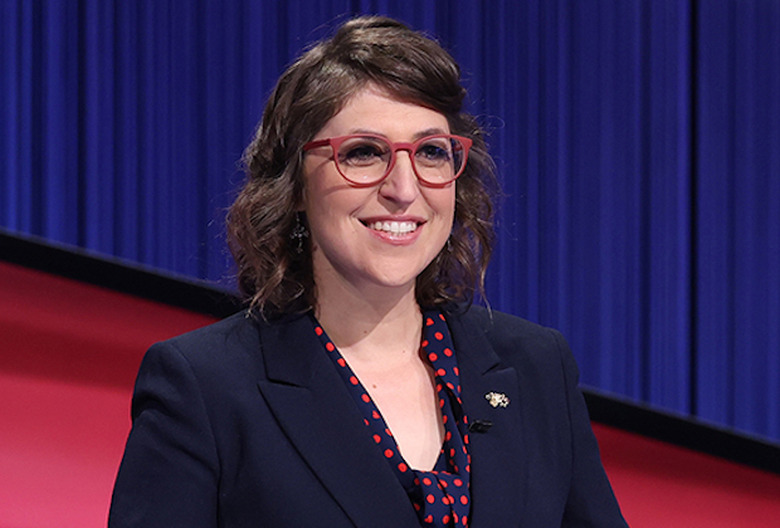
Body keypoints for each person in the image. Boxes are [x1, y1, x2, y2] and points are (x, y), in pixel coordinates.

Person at [109, 15, 628, 528]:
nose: (403, 189)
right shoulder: (205, 386)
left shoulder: (537, 367)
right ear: (294, 186)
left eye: (430, 152)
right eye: (363, 153)